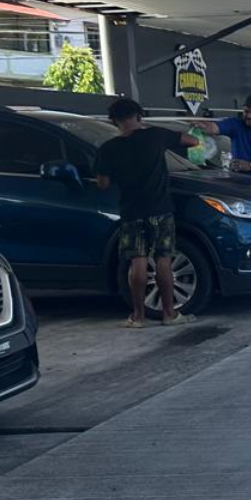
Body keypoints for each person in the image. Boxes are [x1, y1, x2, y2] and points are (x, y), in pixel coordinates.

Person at [93, 98, 200, 328]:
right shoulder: (156, 136)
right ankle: (169, 314)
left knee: (138, 262)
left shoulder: (108, 149)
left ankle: (138, 316)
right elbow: (192, 141)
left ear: (114, 121)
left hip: (131, 211)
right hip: (160, 209)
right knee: (163, 260)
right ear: (139, 116)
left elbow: (102, 183)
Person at [194, 92, 251, 179]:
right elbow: (215, 127)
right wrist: (204, 126)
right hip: (239, 184)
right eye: (246, 111)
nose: (249, 116)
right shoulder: (236, 124)